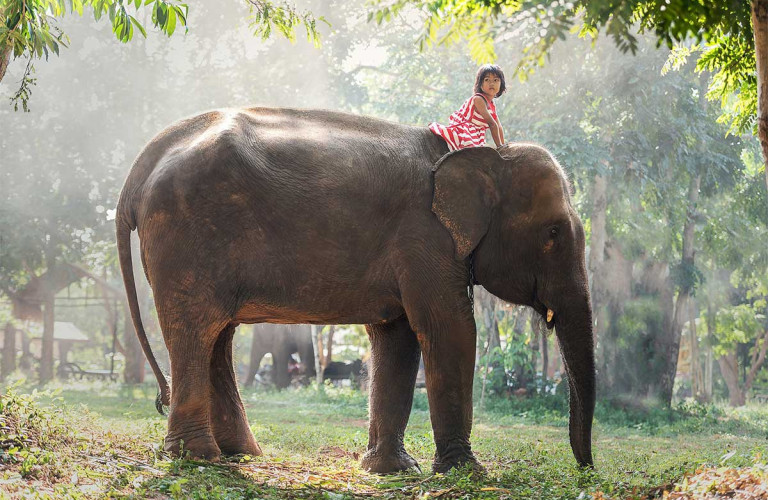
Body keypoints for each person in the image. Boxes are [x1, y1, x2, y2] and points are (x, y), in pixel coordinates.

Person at [429, 64, 506, 151]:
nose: (491, 83)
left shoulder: (492, 104)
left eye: (496, 80)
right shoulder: (479, 99)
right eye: (487, 80)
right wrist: (500, 146)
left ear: (501, 84)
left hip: (476, 134)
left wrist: (504, 146)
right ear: (480, 84)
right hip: (464, 131)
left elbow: (498, 126)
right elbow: (492, 124)